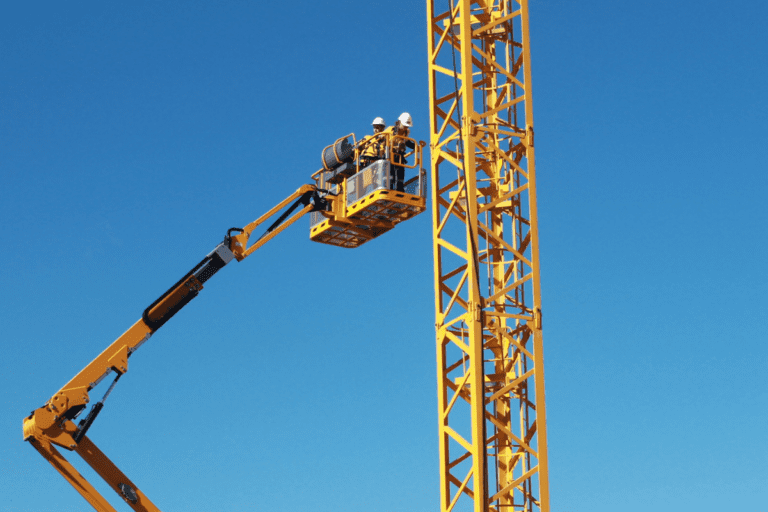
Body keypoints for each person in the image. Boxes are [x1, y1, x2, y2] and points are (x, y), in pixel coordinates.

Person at [389, 112, 413, 192]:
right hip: (390, 154)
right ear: (399, 122)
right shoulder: (390, 130)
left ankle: (400, 188)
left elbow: (406, 141)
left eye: (407, 126)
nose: (406, 127)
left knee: (400, 172)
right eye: (405, 125)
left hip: (399, 154)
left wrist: (415, 146)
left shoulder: (406, 132)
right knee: (391, 172)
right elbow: (381, 140)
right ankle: (390, 187)